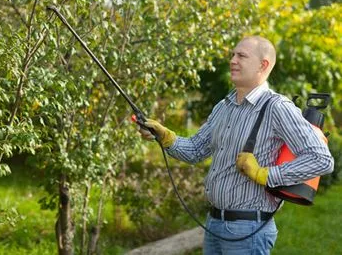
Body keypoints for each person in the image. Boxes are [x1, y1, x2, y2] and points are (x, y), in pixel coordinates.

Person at [138, 36, 334, 255]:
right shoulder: (224, 106)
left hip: (248, 230)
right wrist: (165, 137)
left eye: (241, 56)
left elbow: (321, 159)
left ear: (263, 65)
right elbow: (195, 150)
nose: (233, 60)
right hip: (214, 224)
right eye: (232, 54)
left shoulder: (277, 107)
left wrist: (264, 174)